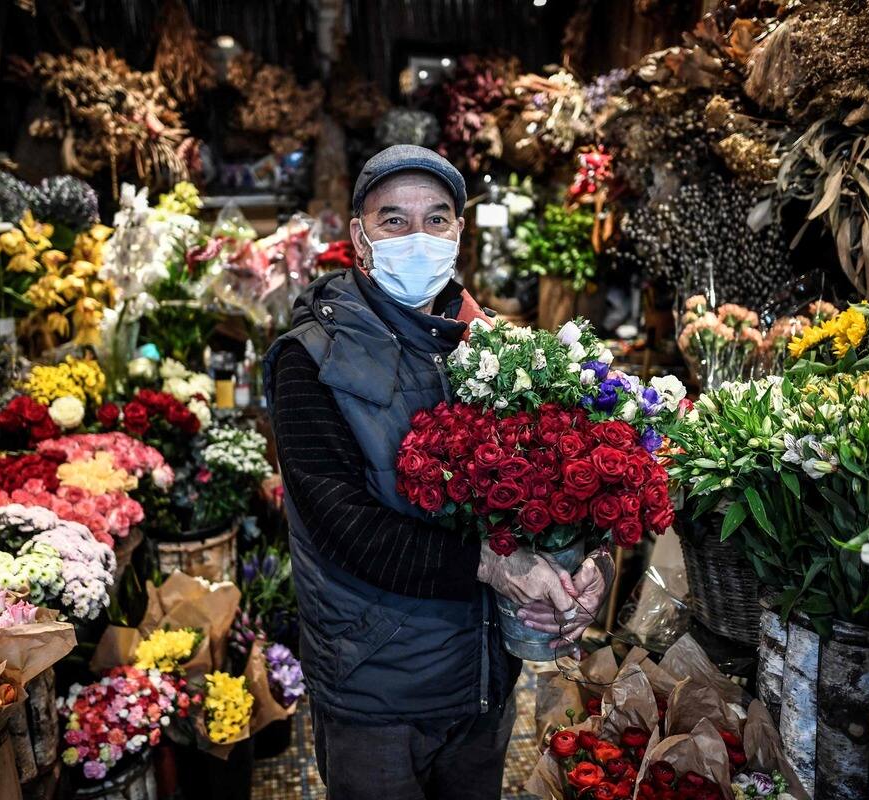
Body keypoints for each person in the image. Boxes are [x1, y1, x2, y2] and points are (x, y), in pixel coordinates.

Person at [263, 144, 614, 800]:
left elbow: (568, 479)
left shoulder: (499, 349)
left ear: (460, 232)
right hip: (378, 692)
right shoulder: (311, 360)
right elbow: (345, 525)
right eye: (393, 221)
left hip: (483, 680)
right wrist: (493, 566)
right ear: (360, 240)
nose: (416, 237)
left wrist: (591, 564)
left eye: (436, 218)